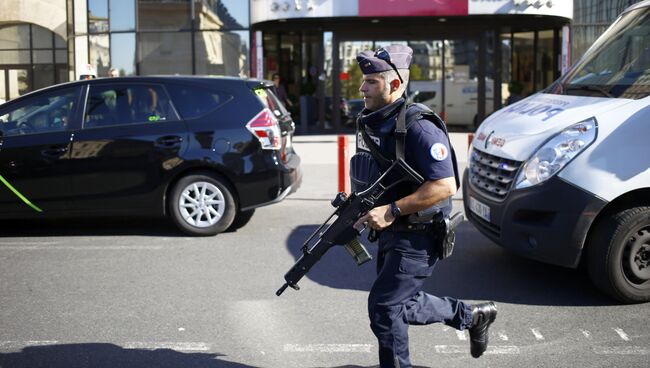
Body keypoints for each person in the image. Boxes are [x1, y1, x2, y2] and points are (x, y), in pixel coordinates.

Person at [351, 45, 498, 368]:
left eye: (371, 81)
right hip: (393, 231)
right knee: (402, 304)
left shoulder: (419, 126)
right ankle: (473, 316)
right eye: (364, 81)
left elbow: (445, 185)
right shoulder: (377, 122)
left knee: (385, 309)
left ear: (394, 84)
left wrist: (391, 210)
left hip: (418, 234)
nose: (362, 88)